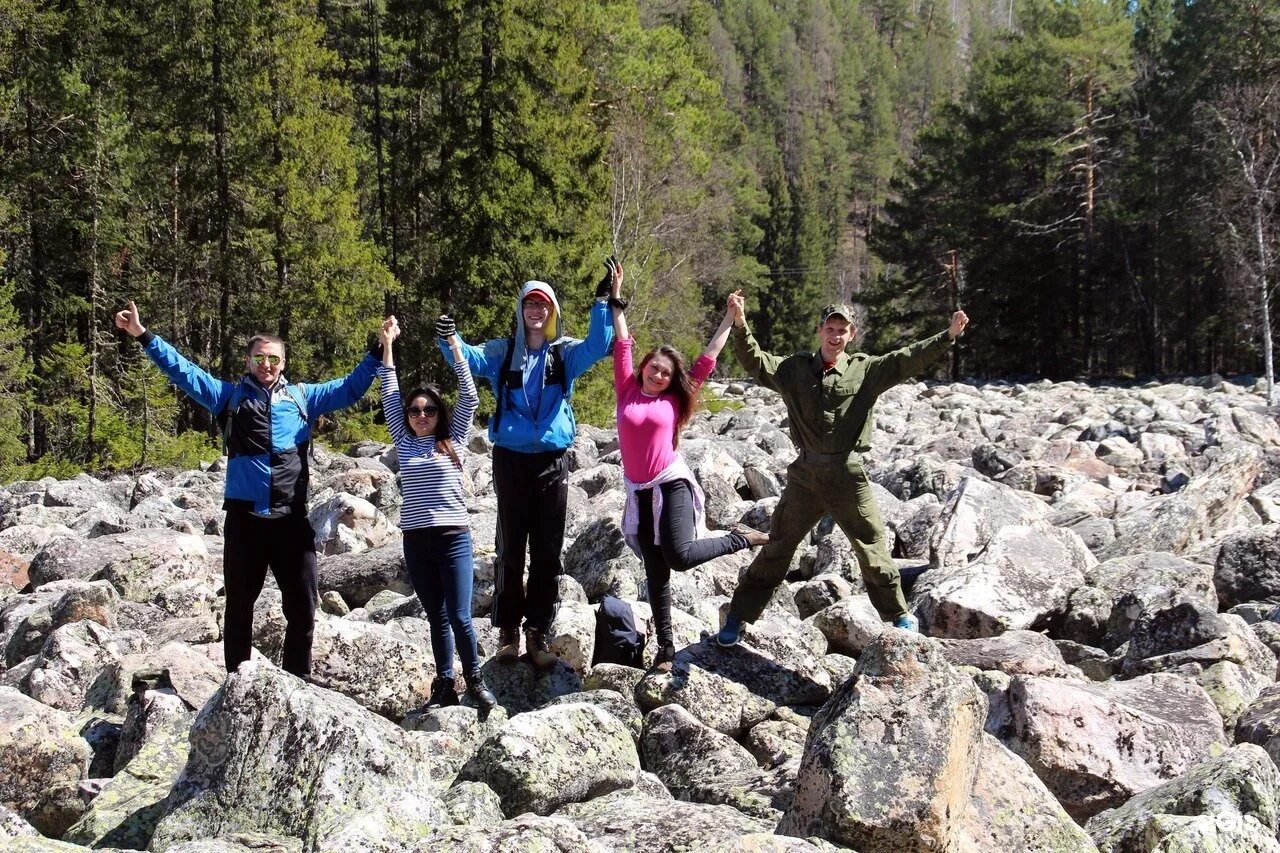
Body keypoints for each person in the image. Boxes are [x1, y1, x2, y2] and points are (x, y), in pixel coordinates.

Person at [113, 301, 382, 677]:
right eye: (259, 359)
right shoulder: (229, 396)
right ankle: (236, 681)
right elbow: (182, 371)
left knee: (303, 606)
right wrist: (144, 336)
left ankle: (298, 679)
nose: (266, 366)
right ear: (248, 361)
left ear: (283, 363)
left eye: (273, 359)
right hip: (245, 521)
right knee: (240, 606)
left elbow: (352, 388)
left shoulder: (305, 397)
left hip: (291, 520)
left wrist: (378, 348)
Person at [716, 296, 970, 645]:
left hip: (848, 475)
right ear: (820, 331)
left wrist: (948, 335)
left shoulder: (865, 370)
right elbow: (755, 361)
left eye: (842, 330)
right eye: (830, 329)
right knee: (777, 548)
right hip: (805, 475)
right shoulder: (794, 369)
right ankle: (737, 619)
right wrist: (741, 324)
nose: (835, 336)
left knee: (871, 547)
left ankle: (898, 618)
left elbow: (906, 360)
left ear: (851, 335)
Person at [441, 270, 615, 667]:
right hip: (510, 460)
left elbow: (599, 344)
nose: (536, 310)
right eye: (530, 303)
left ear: (551, 311)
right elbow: (465, 357)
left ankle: (537, 631)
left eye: (543, 304)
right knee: (510, 547)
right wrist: (446, 336)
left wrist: (603, 303)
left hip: (552, 461)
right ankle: (507, 630)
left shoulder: (562, 353)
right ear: (520, 310)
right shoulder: (503, 352)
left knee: (548, 550)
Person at [609, 268, 768, 672]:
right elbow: (623, 341)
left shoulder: (676, 401)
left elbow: (706, 359)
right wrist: (617, 297)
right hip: (638, 489)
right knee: (655, 570)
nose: (658, 374)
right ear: (644, 367)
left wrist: (730, 320)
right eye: (654, 368)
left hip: (671, 483)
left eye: (665, 372)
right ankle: (665, 649)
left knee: (678, 556)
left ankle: (738, 539)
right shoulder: (627, 387)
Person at [378, 314, 497, 709]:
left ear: (439, 413)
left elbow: (470, 394)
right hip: (416, 541)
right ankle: (445, 683)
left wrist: (456, 347)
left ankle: (475, 681)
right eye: (414, 410)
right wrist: (388, 344)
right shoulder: (404, 439)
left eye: (428, 409)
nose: (421, 415)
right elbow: (389, 390)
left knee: (461, 616)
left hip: (453, 539)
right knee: (436, 617)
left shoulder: (454, 437)